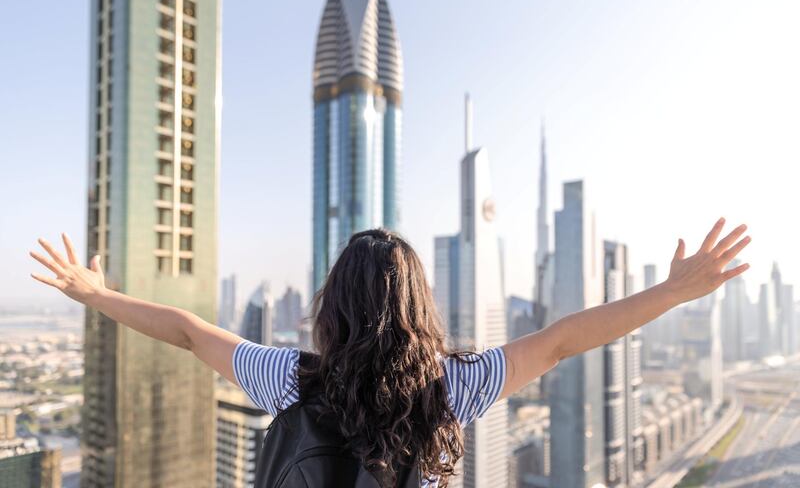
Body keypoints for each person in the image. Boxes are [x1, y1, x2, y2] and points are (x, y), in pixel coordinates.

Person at [29, 218, 750, 487]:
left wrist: (96, 293)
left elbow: (187, 330)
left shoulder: (288, 378)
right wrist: (673, 293)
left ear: (331, 307)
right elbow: (564, 341)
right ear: (418, 308)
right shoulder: (455, 388)